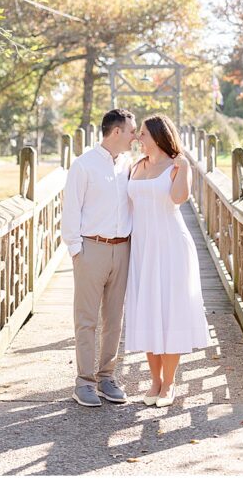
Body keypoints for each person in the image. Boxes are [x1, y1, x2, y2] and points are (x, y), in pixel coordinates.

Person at [124, 114, 209, 407]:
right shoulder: (135, 166)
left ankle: (169, 384)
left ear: (159, 136)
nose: (138, 139)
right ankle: (155, 382)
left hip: (171, 245)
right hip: (142, 249)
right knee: (148, 311)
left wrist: (183, 167)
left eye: (143, 134)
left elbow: (178, 198)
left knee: (170, 312)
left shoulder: (177, 165)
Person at [62, 108, 137, 407]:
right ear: (116, 132)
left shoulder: (129, 164)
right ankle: (84, 382)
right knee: (87, 319)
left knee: (114, 319)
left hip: (123, 248)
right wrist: (76, 250)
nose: (135, 137)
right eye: (132, 131)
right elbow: (71, 210)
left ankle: (107, 377)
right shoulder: (84, 165)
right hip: (92, 248)